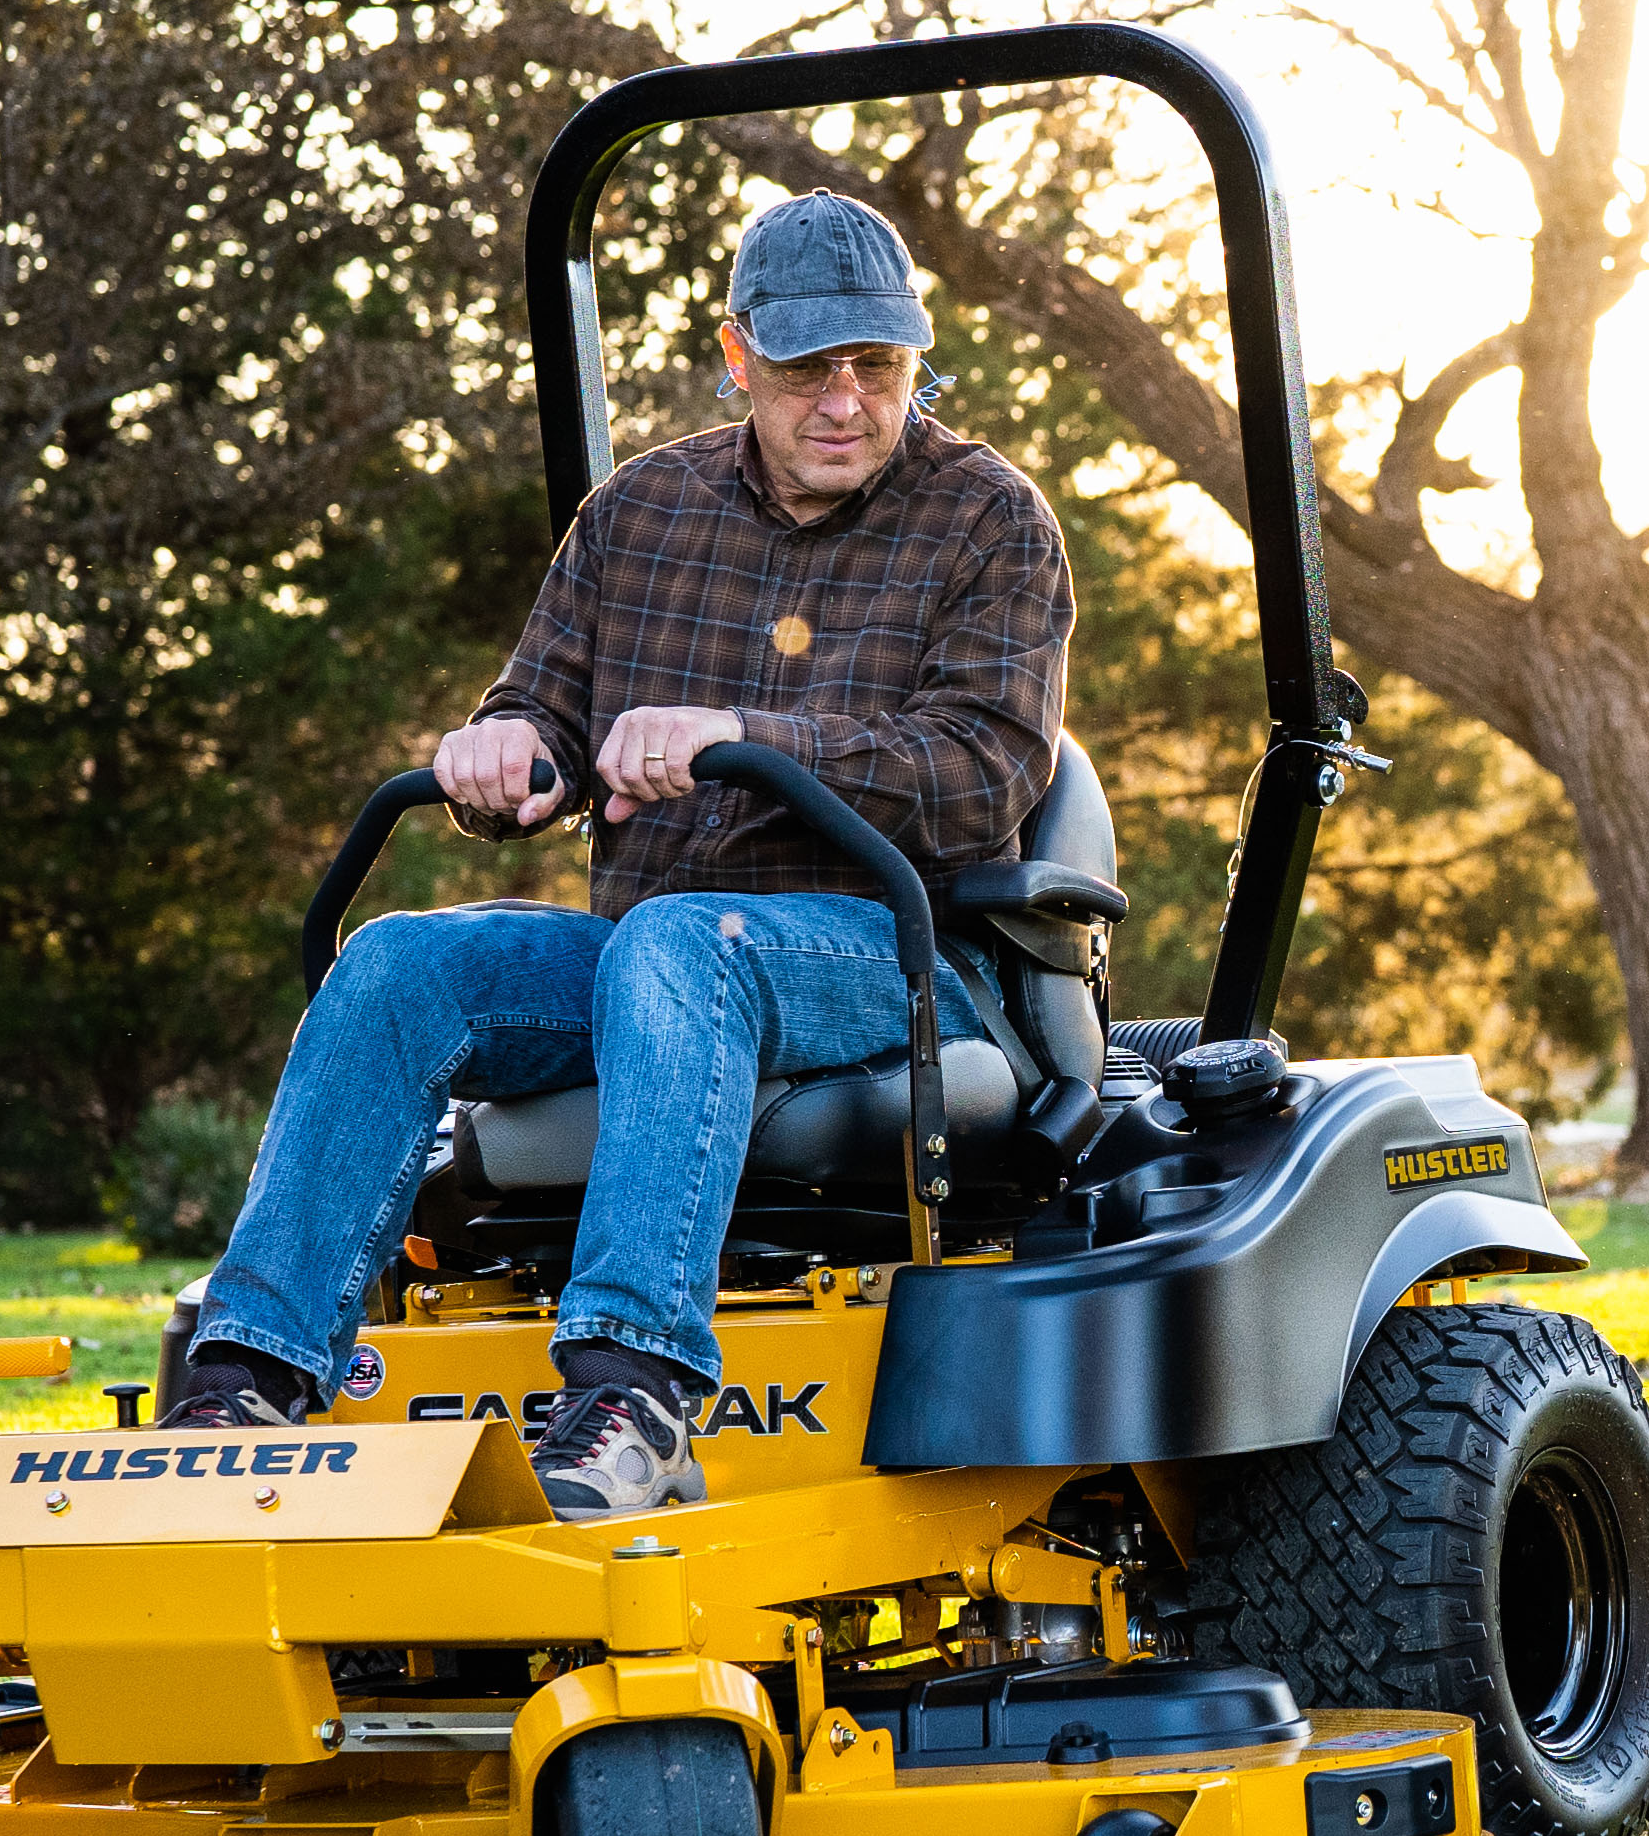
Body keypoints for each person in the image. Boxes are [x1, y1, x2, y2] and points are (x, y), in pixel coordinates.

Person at [165, 190, 1073, 1515]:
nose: (845, 400)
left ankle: (629, 1393)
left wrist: (743, 733)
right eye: (811, 366)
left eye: (876, 367)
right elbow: (540, 709)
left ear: (913, 362)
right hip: (651, 957)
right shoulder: (637, 514)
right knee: (400, 962)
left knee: (676, 941)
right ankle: (249, 1377)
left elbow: (984, 774)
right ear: (737, 354)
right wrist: (501, 753)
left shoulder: (989, 520)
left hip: (892, 952)